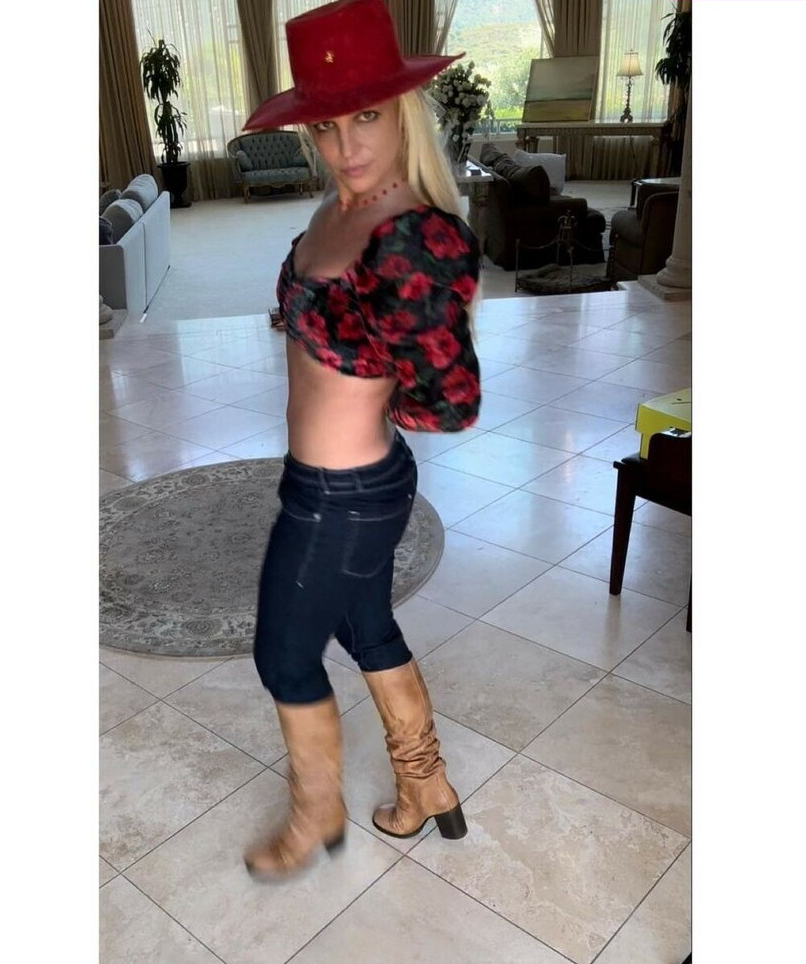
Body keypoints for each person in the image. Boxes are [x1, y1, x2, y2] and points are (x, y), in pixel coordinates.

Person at [241, 0, 482, 879]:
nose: (346, 145)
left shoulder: (413, 236)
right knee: (365, 622)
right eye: (327, 125)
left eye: (367, 117)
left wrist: (383, 347)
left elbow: (449, 403)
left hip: (343, 494)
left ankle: (316, 813)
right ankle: (427, 786)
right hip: (330, 481)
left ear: (402, 112)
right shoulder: (337, 207)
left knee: (282, 655)